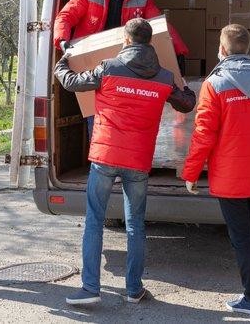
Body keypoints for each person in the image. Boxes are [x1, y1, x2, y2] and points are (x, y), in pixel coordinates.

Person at [54, 18, 196, 305]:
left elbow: (71, 82)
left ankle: (90, 289)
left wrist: (62, 62)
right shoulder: (164, 78)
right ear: (150, 42)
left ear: (127, 40)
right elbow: (187, 103)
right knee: (135, 225)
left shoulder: (108, 68)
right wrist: (186, 88)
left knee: (94, 220)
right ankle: (134, 289)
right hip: (138, 160)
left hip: (105, 157)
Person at [180, 24, 250, 316]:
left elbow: (203, 133)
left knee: (241, 237)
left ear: (222, 49)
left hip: (229, 176)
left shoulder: (214, 84)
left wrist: (191, 172)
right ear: (247, 47)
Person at [53, 0, 190, 138]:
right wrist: (62, 40)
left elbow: (160, 25)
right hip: (93, 60)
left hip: (124, 62)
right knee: (95, 112)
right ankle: (98, 148)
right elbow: (66, 16)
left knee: (122, 108)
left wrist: (179, 51)